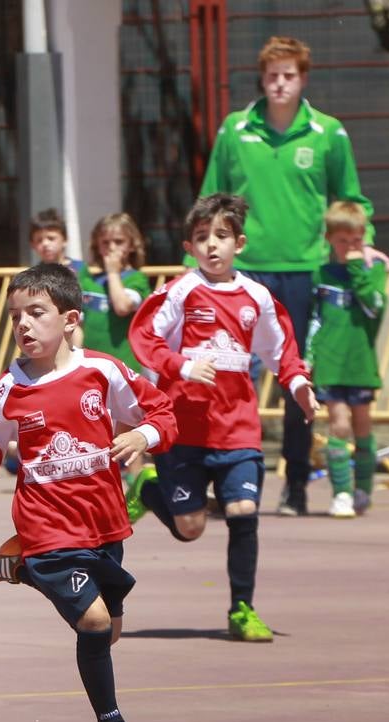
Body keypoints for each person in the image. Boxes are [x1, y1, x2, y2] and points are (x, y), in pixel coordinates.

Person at [0, 263, 177, 722]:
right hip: (46, 525)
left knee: (108, 632)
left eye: (36, 313)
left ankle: (21, 567)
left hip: (103, 525)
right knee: (94, 623)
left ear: (70, 318)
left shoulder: (103, 371)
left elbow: (162, 413)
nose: (23, 325)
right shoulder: (9, 387)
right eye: (15, 317)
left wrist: (143, 435)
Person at [194, 35, 386, 517]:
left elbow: (353, 200)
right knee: (228, 378)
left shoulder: (328, 132)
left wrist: (360, 245)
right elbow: (211, 197)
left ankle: (295, 486)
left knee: (295, 381)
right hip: (245, 271)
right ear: (262, 78)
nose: (280, 84)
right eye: (272, 75)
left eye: (289, 75)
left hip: (305, 272)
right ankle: (229, 481)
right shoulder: (235, 129)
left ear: (303, 79)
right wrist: (192, 264)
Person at [129, 194, 317, 642]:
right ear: (189, 246)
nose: (211, 245)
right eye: (201, 238)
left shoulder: (257, 298)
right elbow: (144, 337)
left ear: (240, 243)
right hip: (185, 429)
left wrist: (299, 386)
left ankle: (242, 610)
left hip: (238, 429)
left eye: (221, 236)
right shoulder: (179, 291)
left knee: (243, 510)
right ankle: (148, 487)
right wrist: (182, 366)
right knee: (190, 529)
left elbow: (282, 351)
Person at [306, 201, 388, 517]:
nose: (350, 247)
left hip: (360, 363)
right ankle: (341, 493)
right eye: (343, 240)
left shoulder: (374, 271)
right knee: (339, 425)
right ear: (329, 239)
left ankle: (363, 489)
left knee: (363, 426)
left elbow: (374, 307)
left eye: (355, 240)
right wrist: (308, 359)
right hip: (330, 361)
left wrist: (357, 269)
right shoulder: (322, 275)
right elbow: (315, 319)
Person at [78, 213, 150, 374]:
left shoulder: (136, 279)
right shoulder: (89, 282)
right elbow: (79, 325)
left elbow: (123, 307)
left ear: (131, 245)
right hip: (92, 366)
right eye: (105, 242)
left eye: (118, 242)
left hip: (125, 367)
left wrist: (112, 273)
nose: (111, 247)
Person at [29, 207, 84, 274]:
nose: (45, 244)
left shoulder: (80, 268)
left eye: (51, 238)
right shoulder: (35, 274)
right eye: (39, 240)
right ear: (32, 244)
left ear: (65, 240)